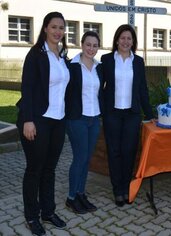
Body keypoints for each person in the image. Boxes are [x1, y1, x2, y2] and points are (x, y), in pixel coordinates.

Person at [16, 11, 69, 236]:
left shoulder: (62, 55)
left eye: (61, 28)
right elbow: (26, 87)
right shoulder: (36, 53)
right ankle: (31, 215)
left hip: (58, 121)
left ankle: (48, 211)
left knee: (50, 169)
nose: (58, 31)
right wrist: (28, 120)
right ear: (45, 28)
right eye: (54, 27)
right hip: (37, 119)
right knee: (34, 170)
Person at [101, 24, 154, 207]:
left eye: (129, 38)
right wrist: (101, 110)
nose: (125, 41)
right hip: (112, 113)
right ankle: (118, 190)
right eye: (122, 38)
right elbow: (100, 87)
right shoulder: (106, 59)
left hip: (132, 114)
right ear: (117, 40)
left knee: (129, 152)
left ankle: (126, 187)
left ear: (133, 42)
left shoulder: (138, 61)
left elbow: (142, 90)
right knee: (114, 151)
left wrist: (150, 114)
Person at [64, 31, 103, 214]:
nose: (91, 49)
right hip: (77, 119)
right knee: (79, 158)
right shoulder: (71, 66)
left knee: (87, 159)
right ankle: (71, 198)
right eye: (88, 44)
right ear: (81, 44)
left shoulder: (98, 67)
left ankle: (80, 193)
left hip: (94, 118)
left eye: (95, 45)